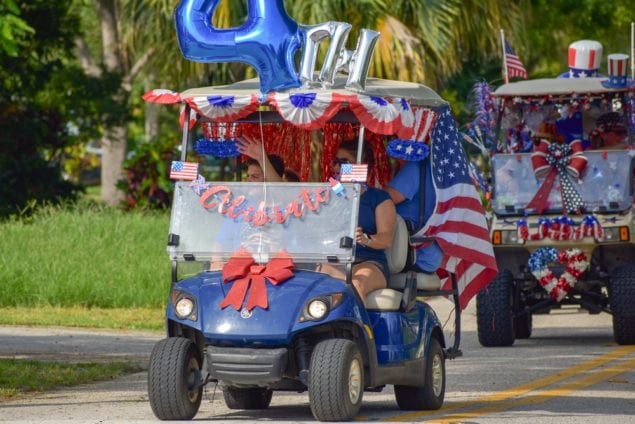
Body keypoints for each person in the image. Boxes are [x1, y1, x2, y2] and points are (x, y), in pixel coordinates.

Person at [322, 139, 396, 301]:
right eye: (335, 162)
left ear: (359, 166)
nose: (335, 167)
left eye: (342, 163)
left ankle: (355, 327)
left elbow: (386, 239)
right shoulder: (328, 195)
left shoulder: (378, 198)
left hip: (369, 262)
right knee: (315, 282)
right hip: (336, 261)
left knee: (356, 285)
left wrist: (366, 239)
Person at [385, 159, 443, 273]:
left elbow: (380, 200)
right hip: (432, 255)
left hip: (413, 255)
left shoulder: (415, 168)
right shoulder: (441, 170)